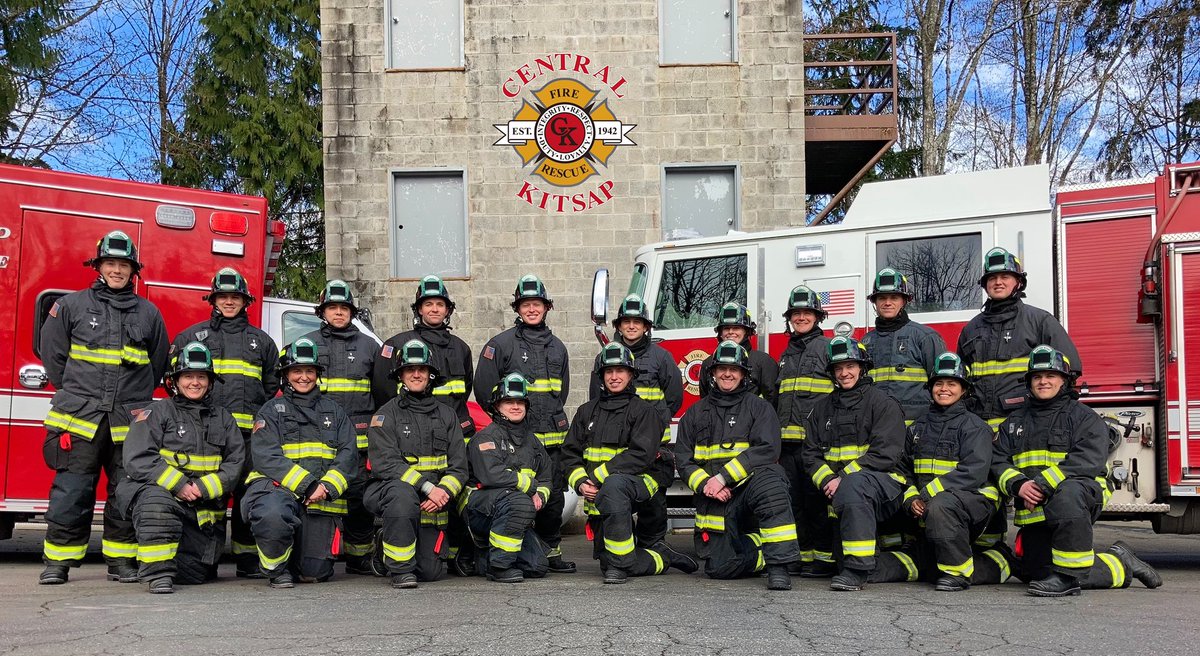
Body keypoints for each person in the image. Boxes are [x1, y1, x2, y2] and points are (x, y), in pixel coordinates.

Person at [38, 230, 170, 585]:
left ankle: (120, 561)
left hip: (129, 423)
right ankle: (58, 563)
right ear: (98, 266)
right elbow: (53, 356)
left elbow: (156, 364)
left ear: (133, 270)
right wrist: (78, 390)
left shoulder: (149, 313)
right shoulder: (71, 306)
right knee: (72, 490)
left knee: (124, 491)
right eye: (110, 263)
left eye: (123, 264)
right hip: (79, 419)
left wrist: (133, 397)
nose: (116, 270)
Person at [992, 345, 1162, 596]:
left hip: (1080, 495)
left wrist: (1040, 484)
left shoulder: (1083, 417)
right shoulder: (1014, 422)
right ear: (1029, 382)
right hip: (1036, 509)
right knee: (1037, 572)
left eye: (1050, 376)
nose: (1043, 382)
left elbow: (1088, 460)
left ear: (1064, 380)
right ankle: (1120, 562)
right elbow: (998, 460)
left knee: (1068, 492)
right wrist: (1019, 485)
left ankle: (1068, 580)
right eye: (1037, 377)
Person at [870, 352, 1010, 591]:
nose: (944, 389)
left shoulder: (975, 427)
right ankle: (922, 560)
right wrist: (911, 497)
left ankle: (957, 572)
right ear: (931, 387)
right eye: (939, 383)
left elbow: (973, 472)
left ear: (964, 389)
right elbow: (903, 469)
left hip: (973, 503)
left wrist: (926, 494)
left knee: (941, 505)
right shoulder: (918, 427)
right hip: (930, 507)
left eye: (952, 384)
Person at [171, 267, 279, 577]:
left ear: (245, 301)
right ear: (214, 299)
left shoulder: (262, 342)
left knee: (246, 495)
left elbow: (270, 387)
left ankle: (247, 562)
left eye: (235, 297)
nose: (229, 302)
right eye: (223, 297)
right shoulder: (192, 337)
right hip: (206, 436)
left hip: (247, 437)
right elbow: (175, 381)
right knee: (211, 496)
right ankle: (207, 560)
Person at [115, 342, 245, 593]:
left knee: (194, 574)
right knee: (155, 502)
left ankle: (179, 563)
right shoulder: (156, 413)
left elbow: (235, 462)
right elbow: (138, 457)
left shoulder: (223, 418)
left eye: (201, 376)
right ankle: (158, 574)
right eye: (187, 376)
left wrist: (203, 487)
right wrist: (180, 485)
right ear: (174, 381)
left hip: (202, 509)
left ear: (210, 381)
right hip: (165, 495)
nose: (194, 382)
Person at [565, 343, 698, 583]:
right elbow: (569, 454)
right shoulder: (586, 412)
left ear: (631, 375)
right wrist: (581, 482)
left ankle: (621, 565)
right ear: (602, 376)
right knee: (606, 559)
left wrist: (597, 477)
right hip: (600, 491)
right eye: (608, 372)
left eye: (620, 371)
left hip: (640, 484)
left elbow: (640, 455)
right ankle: (659, 558)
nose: (614, 377)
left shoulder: (644, 411)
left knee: (615, 487)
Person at [370, 276, 476, 575]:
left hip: (447, 430)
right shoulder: (395, 345)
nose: (434, 309)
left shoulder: (461, 348)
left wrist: (440, 487)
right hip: (406, 438)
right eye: (428, 303)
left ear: (448, 310)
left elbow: (465, 389)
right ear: (418, 308)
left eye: (439, 304)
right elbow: (381, 389)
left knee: (459, 494)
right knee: (404, 499)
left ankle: (452, 553)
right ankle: (391, 551)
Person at [675, 340, 798, 590]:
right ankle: (761, 550)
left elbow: (767, 450)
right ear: (713, 373)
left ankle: (779, 566)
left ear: (743, 374)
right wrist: (707, 484)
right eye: (721, 368)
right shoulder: (695, 413)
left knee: (772, 482)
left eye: (734, 369)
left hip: (748, 491)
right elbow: (683, 459)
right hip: (713, 497)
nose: (727, 374)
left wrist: (722, 478)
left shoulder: (759, 408)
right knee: (719, 569)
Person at [474, 274, 574, 573]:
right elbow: (484, 391)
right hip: (516, 441)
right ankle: (517, 551)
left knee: (553, 499)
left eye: (537, 304)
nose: (532, 309)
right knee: (517, 498)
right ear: (517, 308)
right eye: (526, 304)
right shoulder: (500, 344)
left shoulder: (558, 348)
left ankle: (551, 550)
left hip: (552, 440)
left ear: (547, 307)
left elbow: (562, 392)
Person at [242, 338, 357, 588]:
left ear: (317, 374)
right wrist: (307, 485)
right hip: (276, 491)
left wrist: (325, 487)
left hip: (320, 500)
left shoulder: (335, 412)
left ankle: (295, 558)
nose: (303, 377)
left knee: (313, 572)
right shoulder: (270, 411)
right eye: (296, 371)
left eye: (309, 371)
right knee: (273, 514)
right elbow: (266, 456)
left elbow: (348, 454)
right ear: (285, 374)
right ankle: (276, 569)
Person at [801, 336, 908, 592]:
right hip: (840, 490)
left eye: (850, 366)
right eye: (838, 368)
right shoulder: (822, 409)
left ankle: (857, 570)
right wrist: (827, 480)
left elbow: (885, 454)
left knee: (855, 485)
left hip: (886, 485)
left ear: (862, 368)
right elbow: (810, 454)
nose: (844, 373)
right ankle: (840, 559)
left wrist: (842, 478)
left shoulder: (882, 404)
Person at [364, 339, 467, 589]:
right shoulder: (384, 415)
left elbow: (459, 466)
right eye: (410, 369)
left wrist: (443, 491)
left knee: (431, 572)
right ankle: (399, 569)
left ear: (431, 375)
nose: (416, 374)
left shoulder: (447, 415)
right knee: (401, 494)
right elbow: (386, 464)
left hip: (434, 501)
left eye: (422, 369)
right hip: (392, 492)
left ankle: (392, 546)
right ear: (400, 375)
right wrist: (428, 487)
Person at [587, 293, 682, 548]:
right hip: (615, 445)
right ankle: (619, 543)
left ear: (646, 326)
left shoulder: (661, 358)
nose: (631, 326)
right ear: (618, 326)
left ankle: (652, 544)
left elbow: (674, 398)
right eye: (626, 321)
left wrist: (653, 426)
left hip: (652, 446)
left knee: (654, 497)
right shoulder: (604, 357)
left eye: (637, 321)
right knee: (615, 495)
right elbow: (596, 401)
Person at [958, 248, 1081, 432]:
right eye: (992, 278)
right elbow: (960, 380)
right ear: (985, 285)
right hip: (980, 429)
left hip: (1027, 426)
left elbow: (1070, 371)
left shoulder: (1039, 321)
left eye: (1005, 277)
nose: (998, 282)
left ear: (1018, 282)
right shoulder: (971, 329)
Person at [301, 280, 378, 574]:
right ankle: (322, 554)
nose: (338, 312)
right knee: (322, 497)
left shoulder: (369, 346)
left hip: (359, 439)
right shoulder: (307, 344)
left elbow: (382, 393)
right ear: (323, 311)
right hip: (319, 438)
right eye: (332, 307)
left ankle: (359, 557)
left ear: (351, 312)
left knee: (358, 497)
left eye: (343, 308)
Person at [464, 373, 552, 583]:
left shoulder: (533, 442)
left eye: (520, 402)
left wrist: (540, 494)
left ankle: (484, 557)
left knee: (538, 566)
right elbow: (491, 474)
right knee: (518, 500)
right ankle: (499, 566)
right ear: (496, 406)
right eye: (508, 402)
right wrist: (530, 487)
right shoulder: (486, 438)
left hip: (514, 510)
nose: (515, 406)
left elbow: (547, 477)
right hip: (479, 510)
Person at [773, 285, 835, 577]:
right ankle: (802, 555)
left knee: (816, 502)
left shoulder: (827, 348)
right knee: (793, 502)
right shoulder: (786, 354)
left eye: (806, 313)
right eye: (796, 314)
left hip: (815, 445)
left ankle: (823, 559)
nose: (801, 318)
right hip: (787, 445)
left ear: (817, 316)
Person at [861, 268, 946, 424]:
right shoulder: (865, 342)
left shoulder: (925, 337)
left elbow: (943, 384)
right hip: (877, 426)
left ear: (904, 301)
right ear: (874, 302)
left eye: (894, 297)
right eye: (882, 298)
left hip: (918, 427)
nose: (887, 303)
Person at [698, 302, 778, 404]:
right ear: (720, 333)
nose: (731, 332)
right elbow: (705, 401)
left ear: (746, 331)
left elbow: (773, 401)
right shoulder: (708, 364)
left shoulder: (763, 362)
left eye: (736, 328)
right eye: (726, 328)